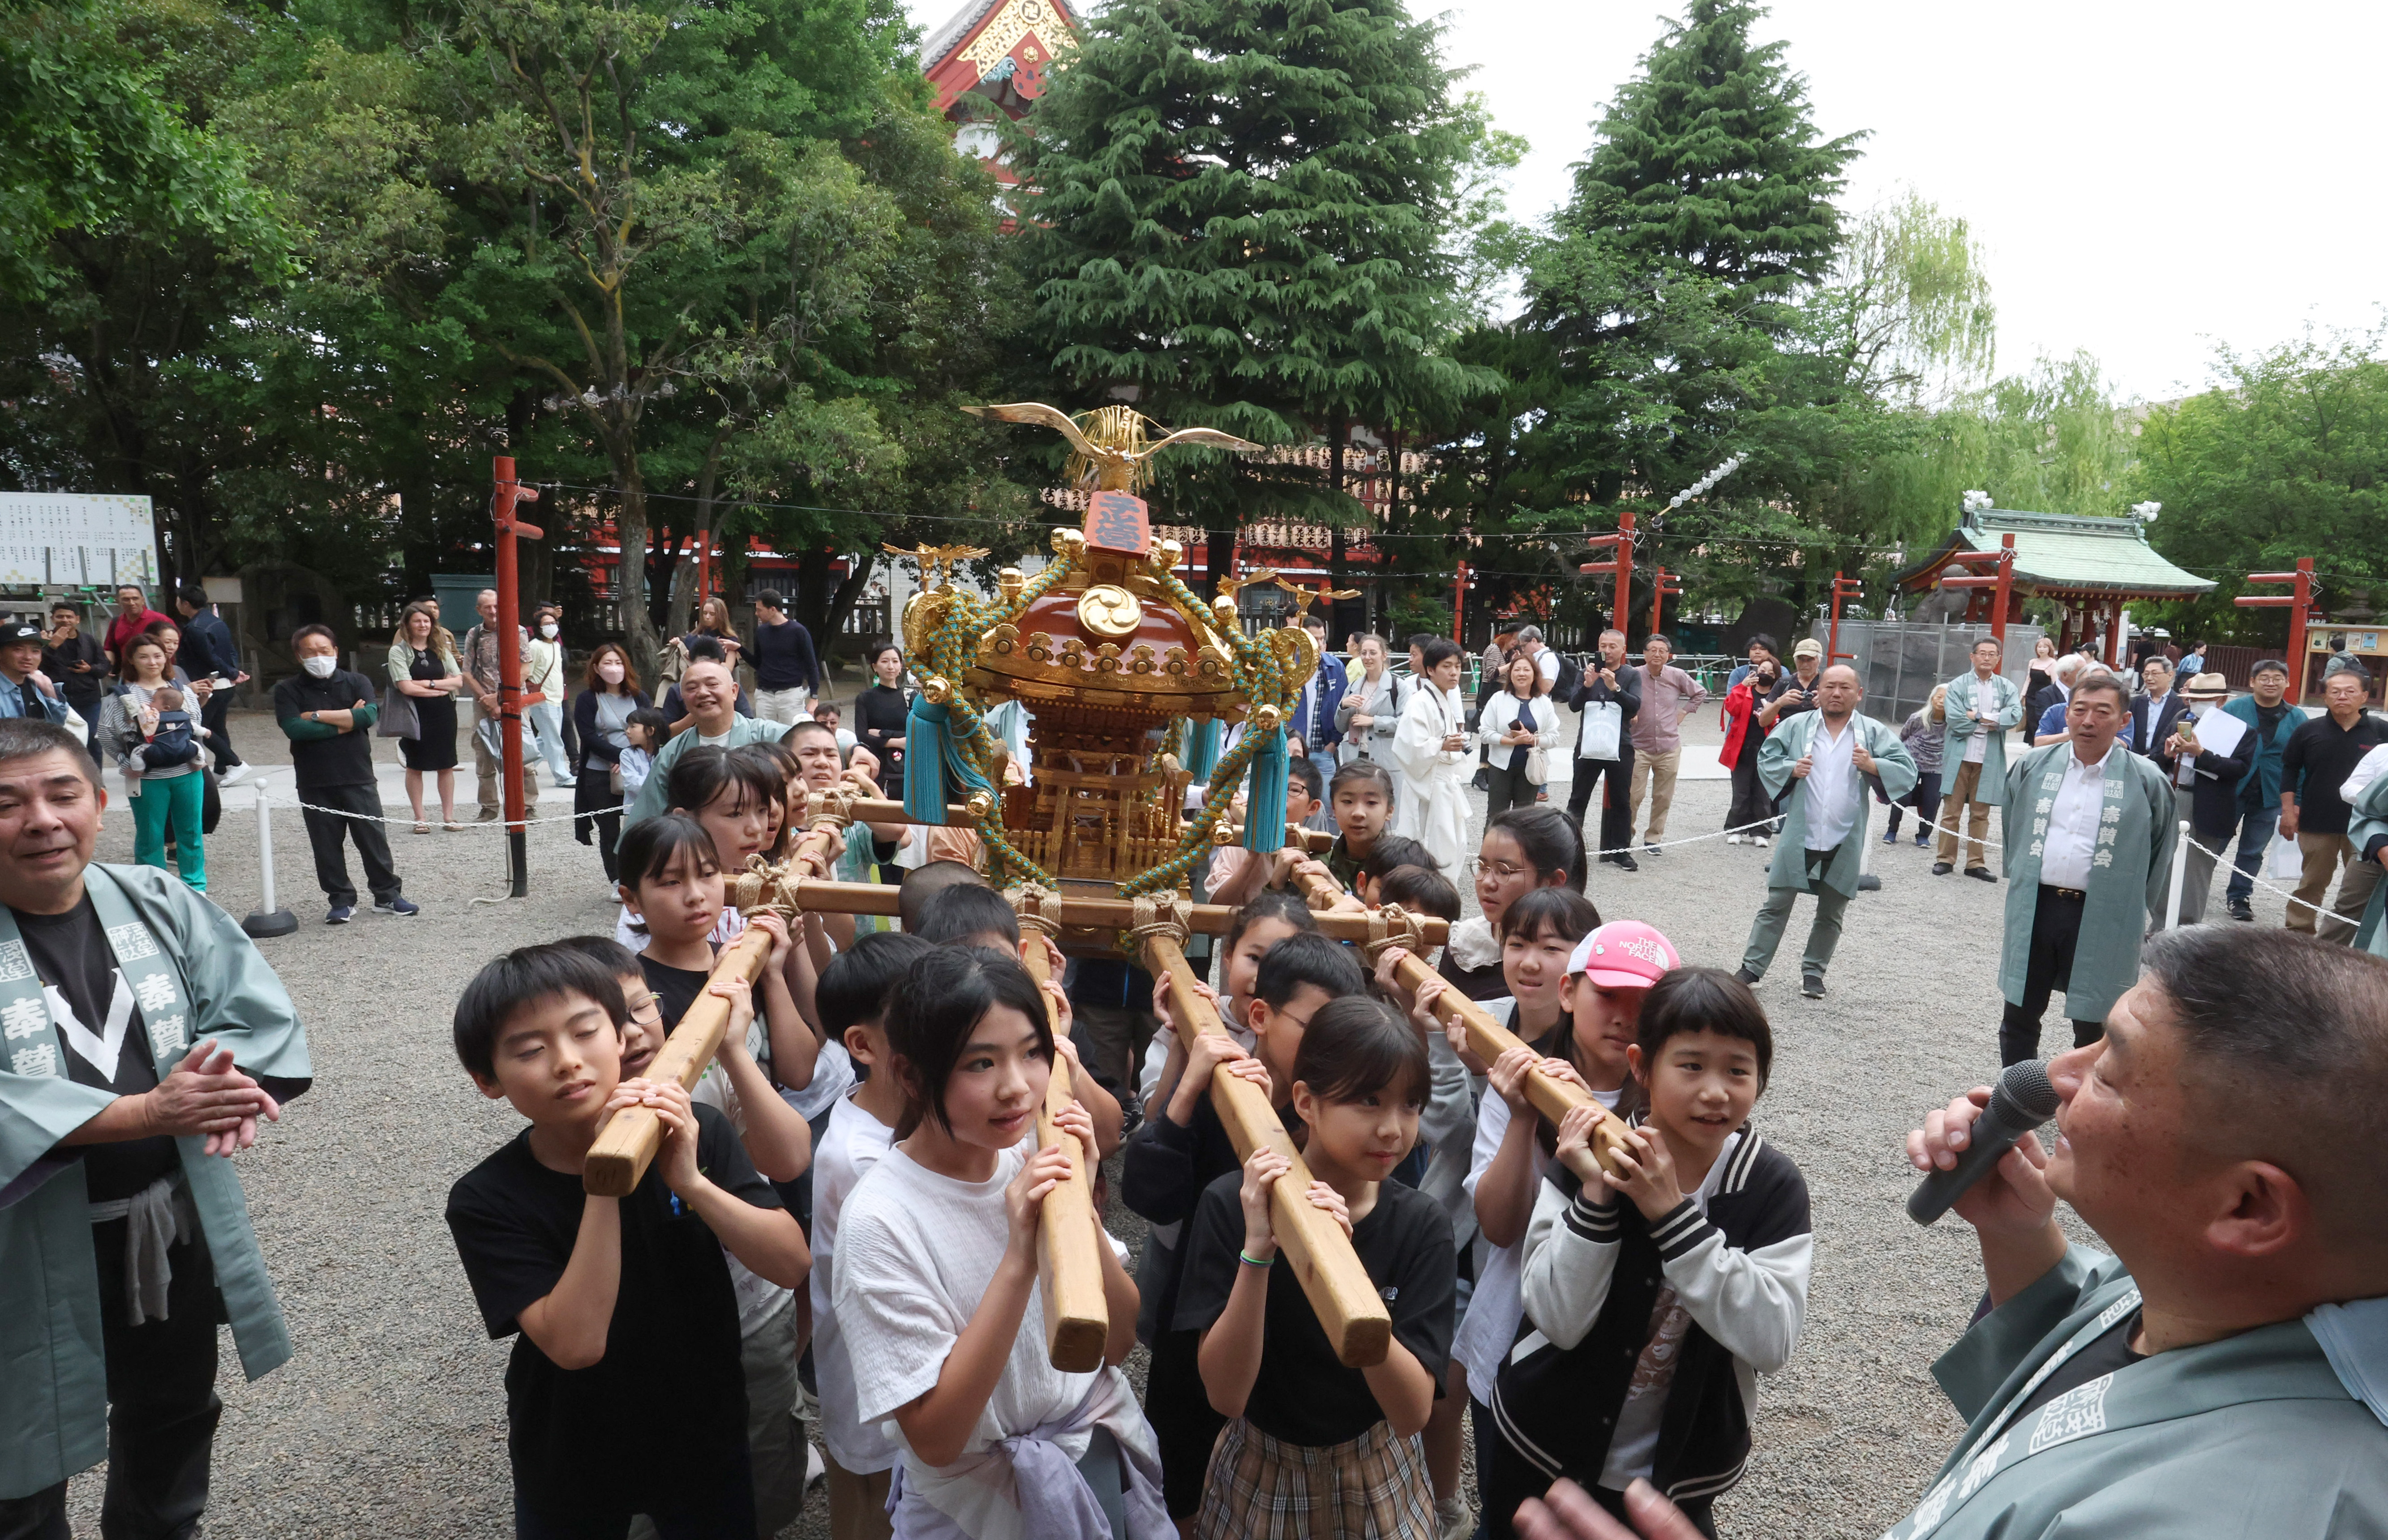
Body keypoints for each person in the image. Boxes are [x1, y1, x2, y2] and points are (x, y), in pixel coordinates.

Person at [1878, 928, 2388, 1540]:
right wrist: (2017, 1235)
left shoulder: (2224, 1519)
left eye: (2109, 1069)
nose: (2057, 1074)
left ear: (2247, 1207)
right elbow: (2103, 1399)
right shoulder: (2224, 1293)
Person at [0, 717, 310, 1539]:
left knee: (171, 1412)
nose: (42, 820)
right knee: (14, 1446)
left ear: (100, 805)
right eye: (8, 804)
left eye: (63, 794)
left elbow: (252, 1012)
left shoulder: (157, 897)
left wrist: (226, 1083)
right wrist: (148, 1111)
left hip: (164, 1220)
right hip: (15, 1246)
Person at [443, 942, 807, 1539]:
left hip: (703, 1432)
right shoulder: (487, 1198)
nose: (566, 1062)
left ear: (622, 1037)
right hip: (571, 1454)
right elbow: (577, 1343)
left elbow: (791, 1263)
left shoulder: (695, 1129)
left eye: (585, 1032)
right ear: (488, 1080)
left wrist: (691, 1182)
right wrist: (606, 1179)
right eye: (530, 1051)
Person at [832, 946, 1158, 1540]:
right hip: (972, 1506)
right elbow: (935, 1438)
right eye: (980, 1064)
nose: (1016, 1087)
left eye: (1033, 1053)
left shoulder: (1030, 1157)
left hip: (1087, 1450)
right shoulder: (878, 1220)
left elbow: (1120, 1341)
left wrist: (1081, 1208)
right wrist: (1018, 1260)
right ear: (909, 1074)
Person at [1483, 968, 1809, 1540]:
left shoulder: (1769, 1185)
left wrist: (1673, 1217)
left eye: (1738, 1069)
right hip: (1541, 1443)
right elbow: (1555, 1318)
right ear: (1640, 1065)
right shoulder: (1592, 1149)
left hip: (1677, 1474)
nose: (1716, 1090)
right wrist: (1594, 1199)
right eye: (1691, 1065)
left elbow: (1772, 1338)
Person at [1178, 997, 1456, 1540]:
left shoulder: (1421, 1224)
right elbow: (1225, 1396)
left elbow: (1410, 1413)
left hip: (1375, 1465)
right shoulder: (1231, 1203)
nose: (1393, 1129)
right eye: (1369, 1100)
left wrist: (1345, 1269)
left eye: (1410, 1103)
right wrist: (1258, 1250)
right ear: (1305, 1101)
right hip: (1261, 1463)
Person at [1124, 932, 1365, 1530]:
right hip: (1199, 1325)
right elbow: (1149, 1195)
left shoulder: (1345, 1108)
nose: (1331, 1049)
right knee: (1183, 1481)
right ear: (1258, 1016)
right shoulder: (1220, 1084)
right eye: (1315, 1026)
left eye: (1345, 1031)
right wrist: (1187, 1082)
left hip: (1293, 1344)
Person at [1447, 915, 1674, 1540]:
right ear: (1570, 994)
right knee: (1507, 1513)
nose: (1624, 1015)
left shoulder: (1673, 1105)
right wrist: (1524, 1118)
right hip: (1513, 1336)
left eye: (1644, 1002)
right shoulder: (1520, 1080)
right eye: (1608, 995)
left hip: (1619, 1367)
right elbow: (1497, 1226)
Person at [813, 931, 939, 1540]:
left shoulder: (879, 1112)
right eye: (920, 1020)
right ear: (862, 1045)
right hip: (878, 1381)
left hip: (882, 1371)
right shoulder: (862, 1161)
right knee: (875, 1506)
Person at [1993, 670, 2174, 1065]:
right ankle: (2016, 1100)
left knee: (2095, 1022)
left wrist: (2135, 905)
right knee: (2020, 1012)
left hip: (2104, 912)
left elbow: (2160, 847)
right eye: (2079, 710)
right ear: (2066, 713)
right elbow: (2013, 825)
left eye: (2102, 712)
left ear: (2124, 720)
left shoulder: (2146, 779)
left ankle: (2087, 1114)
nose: (2088, 721)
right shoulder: (2033, 766)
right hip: (2036, 904)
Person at [1736, 664, 1918, 999]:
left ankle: (1813, 973)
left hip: (1845, 831)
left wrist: (1872, 765)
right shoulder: (1796, 725)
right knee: (1777, 900)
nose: (1837, 693)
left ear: (1858, 694)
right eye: (1830, 686)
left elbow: (1907, 769)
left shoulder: (1872, 732)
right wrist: (1792, 769)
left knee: (1832, 909)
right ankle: (1752, 968)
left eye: (1845, 688)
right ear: (1817, 692)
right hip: (1802, 828)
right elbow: (1767, 757)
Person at [277, 624, 415, 923]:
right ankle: (340, 899)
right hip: (315, 778)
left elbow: (368, 716)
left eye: (324, 651)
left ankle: (387, 895)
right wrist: (346, 720)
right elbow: (294, 728)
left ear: (336, 651)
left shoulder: (357, 681)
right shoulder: (287, 690)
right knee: (326, 844)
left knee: (373, 839)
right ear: (299, 657)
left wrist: (316, 716)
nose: (319, 657)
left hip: (358, 773)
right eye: (310, 652)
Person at [2280, 668, 2388, 943]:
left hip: (2366, 827)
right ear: (2325, 696)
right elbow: (2290, 770)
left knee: (2357, 891)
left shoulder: (2381, 731)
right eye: (2335, 691)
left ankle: (2357, 945)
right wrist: (2288, 810)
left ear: (2364, 696)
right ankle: (2299, 935)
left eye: (2351, 691)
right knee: (2312, 884)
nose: (2342, 697)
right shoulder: (2308, 730)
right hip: (2318, 821)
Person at [622, 654, 788, 828]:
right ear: (684, 702)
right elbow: (649, 814)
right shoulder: (673, 751)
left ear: (734, 691)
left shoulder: (772, 736)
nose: (702, 693)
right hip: (699, 848)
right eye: (692, 688)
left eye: (712, 684)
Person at [1443, 805, 1589, 1001]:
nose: (1486, 882)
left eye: (1504, 871)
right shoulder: (1465, 943)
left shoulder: (1586, 955)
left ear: (1553, 882)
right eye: (1482, 867)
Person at [2149, 673, 2255, 929]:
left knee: (2197, 869)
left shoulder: (2240, 730)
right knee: (2165, 864)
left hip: (2209, 801)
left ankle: (2188, 926)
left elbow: (2239, 769)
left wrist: (2201, 755)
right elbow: (2155, 757)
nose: (2197, 703)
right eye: (2193, 698)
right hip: (2176, 792)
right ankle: (2160, 923)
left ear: (2221, 700)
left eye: (2205, 699)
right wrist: (2166, 755)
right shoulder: (2180, 719)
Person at [99, 633, 206, 889]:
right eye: (143, 657)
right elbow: (106, 733)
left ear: (166, 657)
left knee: (191, 832)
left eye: (157, 656)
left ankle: (195, 886)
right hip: (147, 777)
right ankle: (154, 888)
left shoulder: (181, 690)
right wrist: (125, 761)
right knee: (150, 835)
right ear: (132, 661)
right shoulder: (123, 696)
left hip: (186, 772)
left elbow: (196, 724)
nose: (152, 662)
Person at [2217, 658, 2308, 922]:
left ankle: (2239, 896)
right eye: (2265, 678)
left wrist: (2296, 803)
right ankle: (2193, 889)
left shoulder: (2297, 717)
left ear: (2287, 683)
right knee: (2215, 842)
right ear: (2252, 682)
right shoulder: (2234, 709)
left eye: (2278, 678)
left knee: (2252, 850)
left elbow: (2303, 765)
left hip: (2272, 793)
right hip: (2232, 787)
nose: (2271, 683)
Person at [1937, 636, 2023, 880]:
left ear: (1998, 658)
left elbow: (2014, 716)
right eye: (1982, 653)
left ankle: (1975, 862)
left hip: (1989, 757)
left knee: (1980, 813)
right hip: (1960, 755)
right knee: (1951, 811)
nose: (1987, 658)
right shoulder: (1957, 685)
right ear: (1972, 657)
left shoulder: (2006, 687)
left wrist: (1976, 716)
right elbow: (1954, 719)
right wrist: (1992, 721)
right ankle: (1945, 858)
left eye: (1992, 654)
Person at [1391, 637, 1472, 876]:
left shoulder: (1442, 698)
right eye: (1447, 666)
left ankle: (1446, 900)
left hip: (1444, 783)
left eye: (1457, 666)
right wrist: (1442, 744)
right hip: (1430, 784)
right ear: (1431, 670)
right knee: (1435, 848)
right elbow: (1408, 746)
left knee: (1454, 846)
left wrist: (1447, 744)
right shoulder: (1419, 702)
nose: (1454, 672)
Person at [570, 642, 650, 881]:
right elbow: (587, 735)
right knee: (610, 830)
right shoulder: (587, 699)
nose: (614, 668)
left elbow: (651, 729)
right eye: (607, 663)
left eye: (618, 663)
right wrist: (617, 756)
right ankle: (617, 880)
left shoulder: (639, 697)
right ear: (596, 668)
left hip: (636, 770)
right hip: (599, 772)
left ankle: (641, 876)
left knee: (640, 826)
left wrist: (628, 758)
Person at [1622, 634, 1706, 859]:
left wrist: (1684, 711)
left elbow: (1700, 692)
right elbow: (1621, 698)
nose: (1657, 654)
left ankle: (1653, 838)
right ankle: (1625, 836)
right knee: (1633, 795)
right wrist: (1629, 714)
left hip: (1669, 745)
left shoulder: (1677, 675)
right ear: (1644, 653)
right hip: (1639, 745)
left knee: (1663, 797)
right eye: (1653, 650)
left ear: (1668, 655)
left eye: (1662, 651)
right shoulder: (1634, 675)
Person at [460, 588, 539, 821]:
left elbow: (525, 668)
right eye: (488, 607)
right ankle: (489, 806)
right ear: (479, 610)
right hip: (482, 700)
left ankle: (528, 806)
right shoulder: (475, 634)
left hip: (515, 699)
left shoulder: (518, 631)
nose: (493, 611)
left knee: (522, 753)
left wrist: (501, 697)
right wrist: (487, 700)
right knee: (484, 755)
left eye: (497, 606)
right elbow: (467, 673)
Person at [388, 602, 464, 833]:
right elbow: (405, 687)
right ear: (408, 625)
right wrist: (440, 687)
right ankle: (420, 817)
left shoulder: (441, 649)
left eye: (427, 621)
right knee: (416, 765)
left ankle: (448, 816)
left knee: (447, 765)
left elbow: (459, 680)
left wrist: (427, 683)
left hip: (443, 712)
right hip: (415, 713)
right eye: (418, 621)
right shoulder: (398, 652)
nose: (423, 625)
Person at [1568, 630, 1640, 870]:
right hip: (1588, 744)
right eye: (1603, 645)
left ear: (1623, 649)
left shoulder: (1631, 675)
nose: (1607, 651)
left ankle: (1621, 851)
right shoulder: (1586, 672)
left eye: (1612, 646)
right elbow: (1573, 706)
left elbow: (1634, 707)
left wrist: (1615, 688)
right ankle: (1570, 849)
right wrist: (1588, 685)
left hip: (1620, 745)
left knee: (1622, 800)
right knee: (1578, 798)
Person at [172, 585, 250, 786]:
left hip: (209, 684)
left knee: (201, 729)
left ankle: (236, 764)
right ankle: (222, 769)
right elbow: (230, 651)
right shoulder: (217, 622)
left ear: (185, 604)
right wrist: (234, 671)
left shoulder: (195, 628)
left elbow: (209, 658)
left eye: (179, 601)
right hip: (224, 683)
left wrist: (232, 672)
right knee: (218, 727)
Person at [1481, 650, 1560, 821]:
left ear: (1535, 674)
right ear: (1511, 674)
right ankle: (1492, 847)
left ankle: (1521, 848)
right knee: (1496, 817)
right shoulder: (1498, 699)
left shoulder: (1544, 702)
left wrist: (1533, 740)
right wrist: (1511, 741)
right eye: (1517, 670)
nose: (1521, 674)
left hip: (1530, 768)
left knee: (1525, 819)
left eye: (1526, 670)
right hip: (1501, 767)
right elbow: (1485, 733)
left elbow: (1554, 737)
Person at [1718, 641, 1780, 845]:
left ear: (1776, 677)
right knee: (1741, 791)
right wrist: (1742, 687)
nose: (1764, 674)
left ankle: (1761, 832)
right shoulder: (1745, 690)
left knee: (1763, 792)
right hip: (1742, 747)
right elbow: (1731, 708)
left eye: (1769, 672)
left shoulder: (1778, 696)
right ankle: (1735, 829)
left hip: (1768, 749)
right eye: (1761, 670)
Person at [42, 602, 107, 759]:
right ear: (52, 619)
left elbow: (105, 666)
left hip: (89, 699)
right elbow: (37, 668)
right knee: (62, 742)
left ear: (77, 619)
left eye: (69, 617)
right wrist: (52, 646)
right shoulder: (43, 640)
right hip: (57, 700)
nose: (65, 620)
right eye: (60, 617)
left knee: (92, 740)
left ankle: (95, 781)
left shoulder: (89, 640)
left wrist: (90, 669)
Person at [1883, 685, 1946, 847]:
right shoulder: (1918, 718)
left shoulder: (1953, 722)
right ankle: (1892, 831)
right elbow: (1903, 737)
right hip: (1912, 763)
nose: (1942, 701)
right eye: (1939, 697)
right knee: (1902, 796)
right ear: (1932, 699)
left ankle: (1924, 835)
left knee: (1932, 800)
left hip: (1937, 766)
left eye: (1947, 698)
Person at [1292, 611, 1349, 790]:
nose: (1319, 644)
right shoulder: (1287, 667)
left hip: (1323, 751)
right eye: (1313, 639)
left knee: (1326, 808)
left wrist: (1333, 744)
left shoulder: (1335, 667)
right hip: (1293, 750)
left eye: (1322, 639)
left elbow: (1343, 707)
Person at [1323, 759, 1396, 894]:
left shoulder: (1402, 869)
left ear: (1389, 811)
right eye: (1348, 801)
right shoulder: (1321, 861)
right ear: (1333, 807)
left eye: (1371, 803)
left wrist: (1339, 892)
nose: (1358, 813)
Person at [750, 590, 823, 725]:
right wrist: (738, 649)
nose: (756, 614)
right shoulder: (761, 632)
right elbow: (758, 663)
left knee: (791, 736)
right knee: (764, 739)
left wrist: (814, 697)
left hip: (790, 695)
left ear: (772, 609)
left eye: (759, 610)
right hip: (764, 695)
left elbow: (811, 665)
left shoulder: (798, 631)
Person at [523, 606, 576, 790]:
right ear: (538, 627)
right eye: (547, 624)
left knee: (546, 739)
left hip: (557, 698)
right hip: (542, 699)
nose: (551, 627)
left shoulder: (555, 645)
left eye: (554, 623)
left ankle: (524, 766)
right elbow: (526, 672)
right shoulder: (534, 647)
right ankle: (562, 776)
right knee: (554, 740)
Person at [854, 642, 911, 804]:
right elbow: (862, 735)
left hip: (907, 767)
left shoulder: (911, 697)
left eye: (895, 661)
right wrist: (898, 742)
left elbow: (916, 734)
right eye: (885, 661)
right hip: (877, 764)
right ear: (875, 667)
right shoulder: (865, 698)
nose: (891, 666)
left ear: (901, 666)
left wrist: (881, 733)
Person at [1335, 633, 1402, 768]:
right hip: (1355, 758)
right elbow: (1340, 727)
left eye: (1373, 653)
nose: (1367, 658)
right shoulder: (1353, 686)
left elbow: (1406, 723)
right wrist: (1343, 706)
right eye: (1364, 653)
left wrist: (1374, 721)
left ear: (1384, 656)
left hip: (1385, 762)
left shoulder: (1398, 686)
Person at [0, 619, 70, 727]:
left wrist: (50, 691)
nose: (28, 657)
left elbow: (57, 727)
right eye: (18, 650)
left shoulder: (38, 686)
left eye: (35, 651)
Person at [2126, 655, 2187, 773]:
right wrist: (2136, 756)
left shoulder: (2181, 704)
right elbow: (2129, 730)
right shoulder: (2136, 702)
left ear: (2170, 675)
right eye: (2146, 674)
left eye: (2155, 674)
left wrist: (2152, 758)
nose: (2149, 678)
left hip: (2165, 764)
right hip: (2135, 761)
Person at [102, 583, 171, 672]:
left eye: (135, 599)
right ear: (118, 602)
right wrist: (109, 667)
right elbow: (109, 648)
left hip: (156, 672)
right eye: (126, 600)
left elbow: (174, 646)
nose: (132, 603)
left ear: (143, 600)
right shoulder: (116, 622)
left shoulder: (160, 620)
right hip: (127, 674)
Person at [2028, 651, 2088, 744]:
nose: (2086, 677)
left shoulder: (2086, 694)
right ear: (2065, 674)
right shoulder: (2046, 695)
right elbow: (2046, 726)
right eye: (2082, 673)